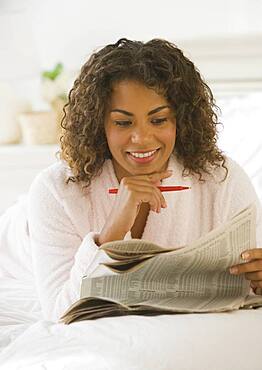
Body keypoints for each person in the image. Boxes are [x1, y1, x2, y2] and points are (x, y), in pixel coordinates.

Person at [27, 38, 262, 322]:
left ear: (181, 119)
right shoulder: (55, 191)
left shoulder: (223, 180)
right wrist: (112, 231)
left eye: (159, 120)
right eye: (123, 123)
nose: (141, 139)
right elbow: (59, 312)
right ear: (98, 123)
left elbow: (248, 291)